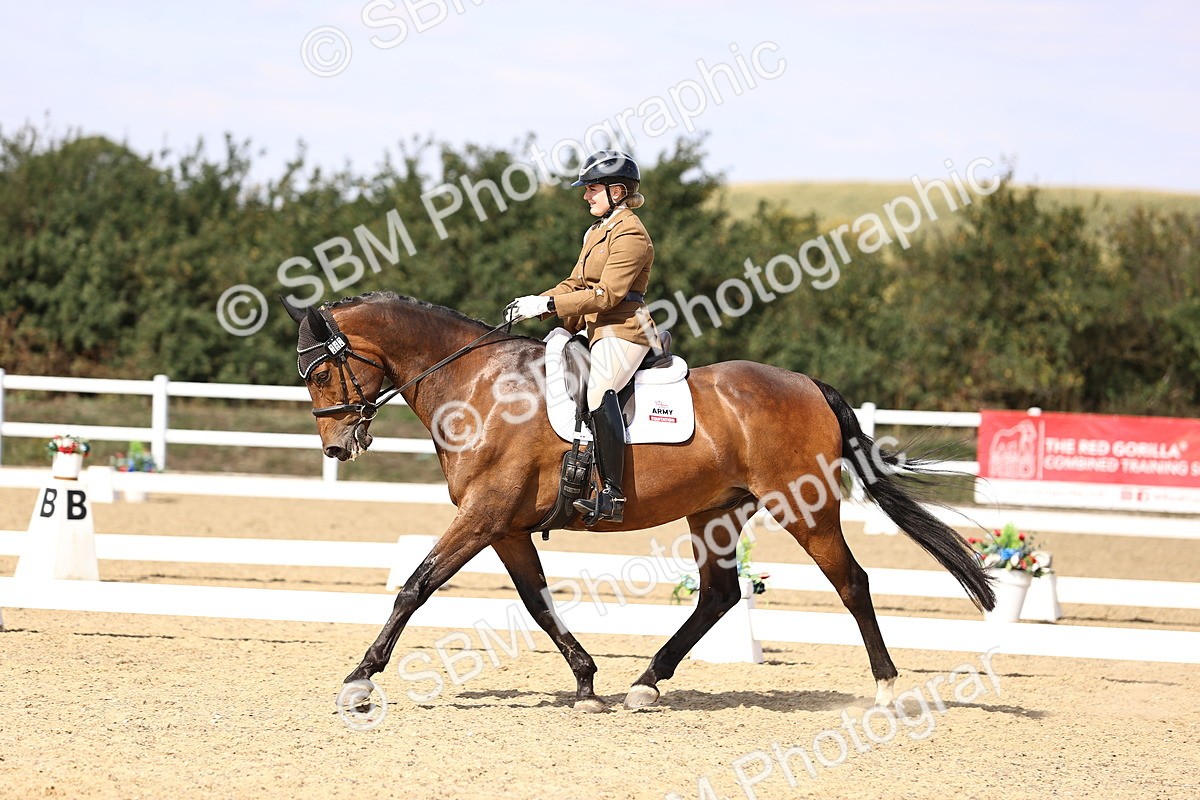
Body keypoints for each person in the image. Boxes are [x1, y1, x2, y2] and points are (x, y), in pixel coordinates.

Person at [506, 150, 658, 525]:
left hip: (624, 332)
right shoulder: (596, 231)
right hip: (593, 328)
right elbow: (576, 283)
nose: (586, 196)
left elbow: (607, 294)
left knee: (597, 391)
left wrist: (553, 304)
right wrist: (538, 303)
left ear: (618, 191)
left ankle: (612, 493)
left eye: (592, 189)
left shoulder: (632, 235)